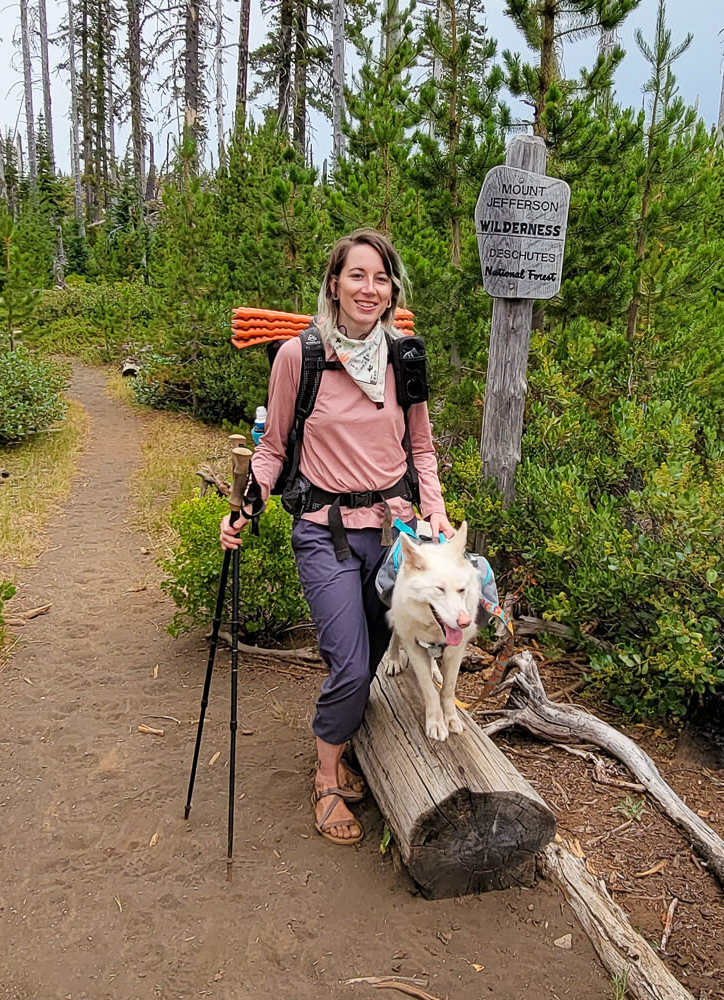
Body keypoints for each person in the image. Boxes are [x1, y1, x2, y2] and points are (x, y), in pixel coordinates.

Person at [220, 228, 451, 846]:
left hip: (393, 537)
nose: (369, 289)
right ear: (334, 283)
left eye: (381, 279)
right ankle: (327, 776)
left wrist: (436, 513)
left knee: (374, 654)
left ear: (391, 289)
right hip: (323, 532)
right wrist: (248, 505)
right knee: (349, 661)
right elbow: (273, 447)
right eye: (357, 276)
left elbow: (421, 448)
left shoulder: (405, 358)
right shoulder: (302, 357)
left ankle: (342, 742)